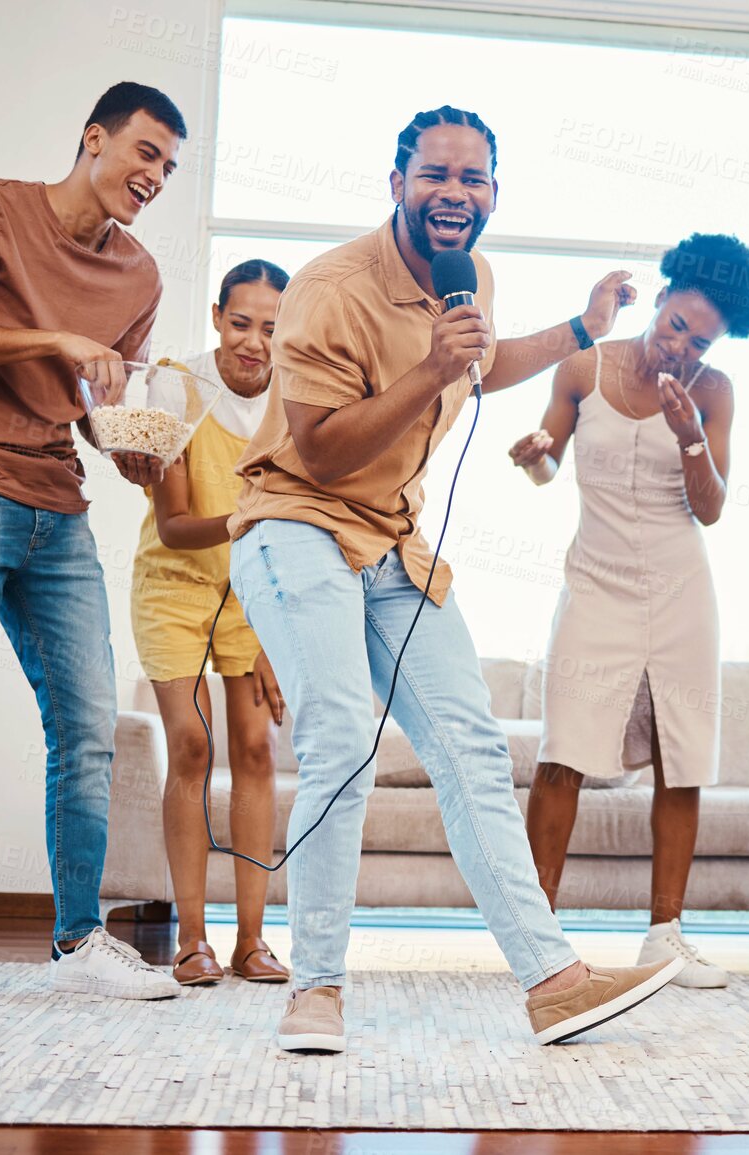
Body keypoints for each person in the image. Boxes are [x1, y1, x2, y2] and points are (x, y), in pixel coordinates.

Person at [227, 105, 685, 1054]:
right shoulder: (328, 289)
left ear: (491, 196)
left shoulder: (466, 274)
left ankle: (553, 979)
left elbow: (476, 367)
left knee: (473, 748)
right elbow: (314, 449)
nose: (454, 194)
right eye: (435, 175)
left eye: (472, 179)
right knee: (343, 731)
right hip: (293, 522)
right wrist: (425, 369)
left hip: (392, 541)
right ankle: (313, 989)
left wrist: (578, 329)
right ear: (397, 183)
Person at [0, 83, 190, 1008]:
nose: (154, 176)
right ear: (93, 139)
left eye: (168, 166)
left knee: (89, 728)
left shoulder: (139, 276)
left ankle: (80, 935)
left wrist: (127, 450)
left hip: (56, 502)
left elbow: (95, 408)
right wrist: (56, 333)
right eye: (143, 153)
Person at [512, 234, 749, 989]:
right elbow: (546, 463)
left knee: (680, 758)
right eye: (677, 325)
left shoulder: (714, 392)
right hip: (593, 583)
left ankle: (664, 935)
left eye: (701, 339)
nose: (683, 344)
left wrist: (692, 435)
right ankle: (538, 934)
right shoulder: (582, 367)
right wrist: (533, 454)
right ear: (658, 301)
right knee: (562, 751)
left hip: (678, 590)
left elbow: (711, 509)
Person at [130, 259, 292, 987]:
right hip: (175, 583)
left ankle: (252, 941)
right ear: (217, 317)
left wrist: (275, 627)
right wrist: (250, 514)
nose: (255, 342)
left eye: (271, 327)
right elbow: (173, 526)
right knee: (192, 745)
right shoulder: (175, 386)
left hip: (254, 590)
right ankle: (191, 939)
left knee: (255, 749)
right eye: (241, 323)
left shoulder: (297, 398)